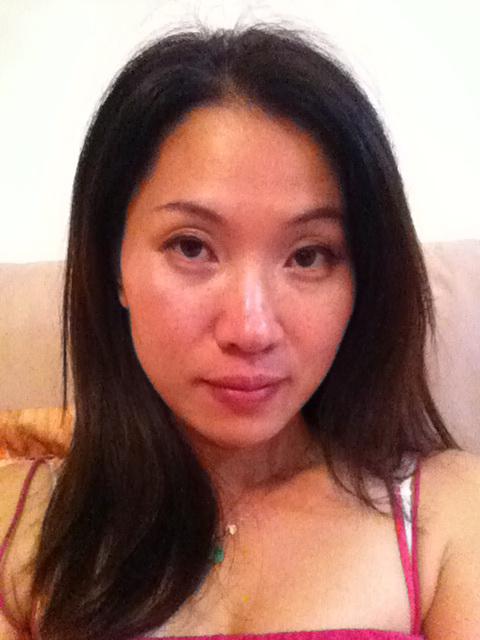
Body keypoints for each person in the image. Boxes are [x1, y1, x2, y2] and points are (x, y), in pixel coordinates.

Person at [1, 22, 479, 640]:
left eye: (308, 256)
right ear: (112, 264)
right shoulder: (19, 522)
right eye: (191, 247)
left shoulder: (449, 513)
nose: (251, 330)